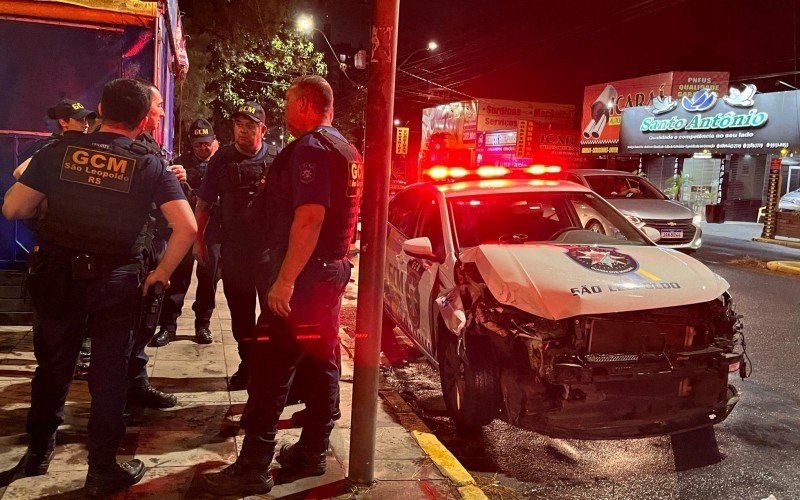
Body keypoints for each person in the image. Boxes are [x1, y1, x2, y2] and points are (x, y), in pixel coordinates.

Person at [1, 78, 196, 496]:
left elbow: (14, 207)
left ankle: (37, 455)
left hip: (59, 278)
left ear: (101, 108)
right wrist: (160, 274)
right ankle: (101, 468)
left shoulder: (58, 151)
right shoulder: (149, 162)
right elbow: (187, 227)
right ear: (144, 119)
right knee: (109, 377)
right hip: (118, 283)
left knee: (53, 368)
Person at [201, 75, 362, 496]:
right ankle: (312, 451)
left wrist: (285, 281)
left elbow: (309, 218)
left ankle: (254, 465)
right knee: (321, 360)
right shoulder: (345, 148)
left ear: (307, 104)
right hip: (329, 274)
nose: (286, 110)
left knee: (270, 369)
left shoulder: (311, 148)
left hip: (305, 279)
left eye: (290, 102)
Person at [194, 101, 277, 390]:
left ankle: (266, 365)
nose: (243, 131)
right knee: (241, 316)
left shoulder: (277, 159)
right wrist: (198, 241)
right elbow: (203, 203)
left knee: (271, 314)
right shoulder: (222, 159)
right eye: (239, 125)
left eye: (250, 125)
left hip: (268, 253)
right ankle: (248, 364)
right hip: (235, 252)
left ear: (262, 129)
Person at [151, 119, 222, 346]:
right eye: (197, 144)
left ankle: (203, 324)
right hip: (184, 229)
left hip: (213, 231)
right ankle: (168, 326)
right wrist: (175, 178)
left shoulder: (222, 163)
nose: (202, 148)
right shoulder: (181, 163)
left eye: (206, 143)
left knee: (208, 278)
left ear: (215, 142)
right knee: (178, 278)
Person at [13, 99, 97, 179]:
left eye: (86, 119)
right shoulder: (52, 145)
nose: (86, 124)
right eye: (79, 119)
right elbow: (19, 172)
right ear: (63, 122)